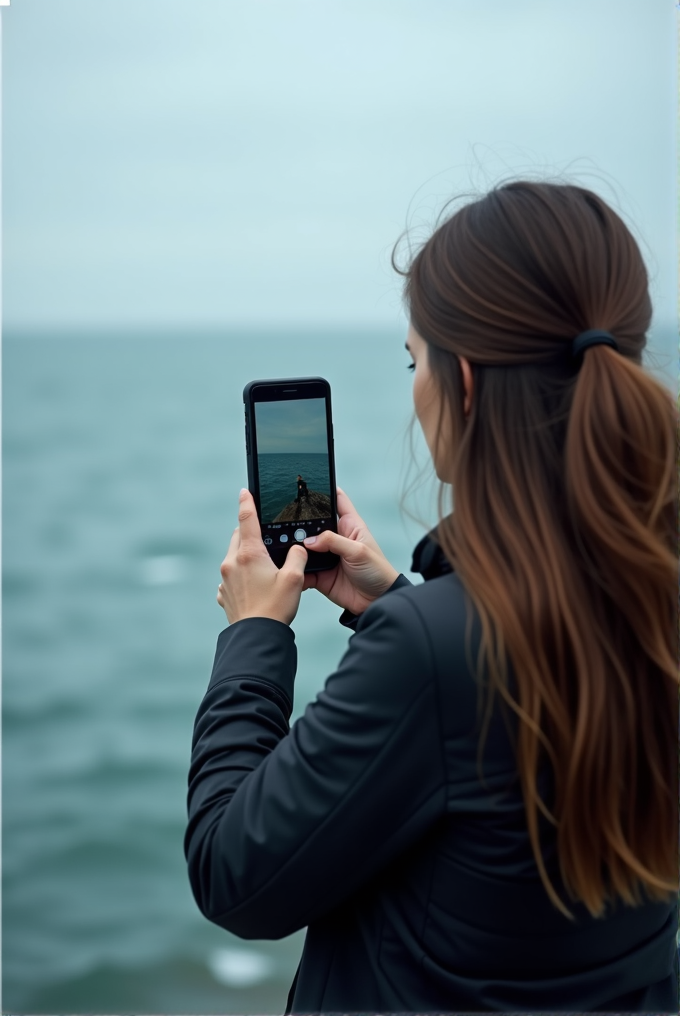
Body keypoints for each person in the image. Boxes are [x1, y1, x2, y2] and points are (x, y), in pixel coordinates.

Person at [184, 181, 679, 1013]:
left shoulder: (436, 652)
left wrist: (254, 636)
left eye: (416, 361)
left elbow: (234, 874)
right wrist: (397, 604)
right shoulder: (649, 591)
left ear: (469, 381)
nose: (416, 390)